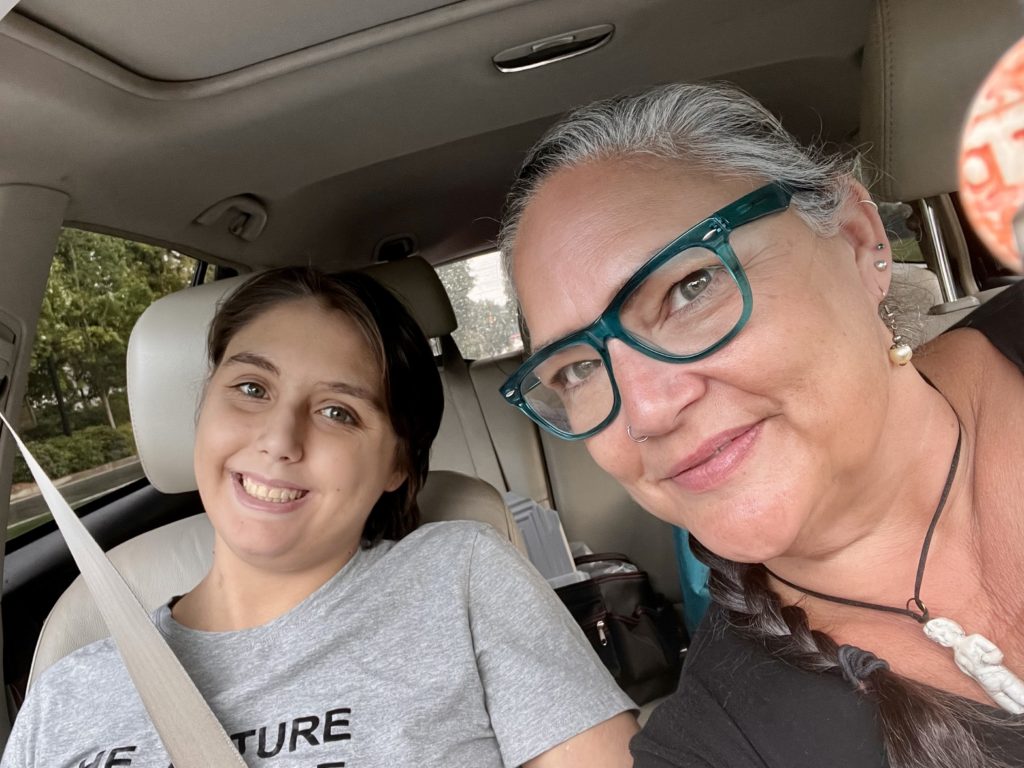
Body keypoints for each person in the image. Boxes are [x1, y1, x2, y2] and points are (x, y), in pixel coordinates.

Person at [497, 82, 1024, 768]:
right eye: (576, 370)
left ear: (860, 241)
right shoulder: (710, 743)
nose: (647, 411)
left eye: (690, 287)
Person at [3, 267, 637, 767]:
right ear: (203, 408)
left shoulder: (460, 579)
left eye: (339, 411)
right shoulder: (68, 685)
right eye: (252, 388)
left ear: (398, 464)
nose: (280, 438)